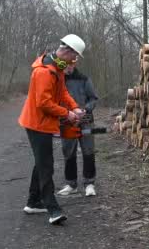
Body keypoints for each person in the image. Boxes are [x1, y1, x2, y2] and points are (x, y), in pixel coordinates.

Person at [18, 34, 86, 225]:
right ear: (66, 51)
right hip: (36, 123)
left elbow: (63, 92)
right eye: (75, 56)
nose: (76, 60)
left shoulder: (59, 68)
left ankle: (33, 202)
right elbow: (44, 103)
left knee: (41, 161)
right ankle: (53, 209)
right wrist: (67, 114)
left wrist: (75, 108)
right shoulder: (44, 72)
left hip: (44, 123)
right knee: (46, 165)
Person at [57, 63, 99, 197]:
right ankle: (71, 184)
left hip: (86, 122)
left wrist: (86, 109)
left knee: (88, 151)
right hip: (66, 122)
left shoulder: (84, 79)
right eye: (66, 65)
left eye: (71, 65)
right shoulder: (58, 79)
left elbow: (93, 99)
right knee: (69, 152)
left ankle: (89, 183)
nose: (68, 68)